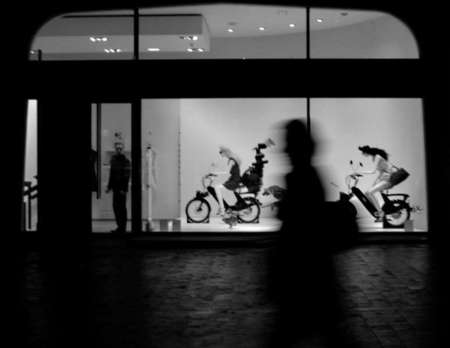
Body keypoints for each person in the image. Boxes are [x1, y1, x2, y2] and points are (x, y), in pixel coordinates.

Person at [357, 145, 395, 222]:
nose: (362, 155)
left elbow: (373, 171)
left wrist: (359, 172)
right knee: (367, 193)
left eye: (363, 153)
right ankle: (379, 211)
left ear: (366, 152)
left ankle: (381, 214)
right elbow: (380, 172)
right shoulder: (374, 157)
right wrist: (375, 183)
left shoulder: (377, 157)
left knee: (370, 193)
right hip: (383, 177)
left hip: (388, 178)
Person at [106, 140, 131, 233]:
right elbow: (111, 174)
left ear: (123, 149)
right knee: (116, 207)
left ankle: (122, 227)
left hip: (121, 189)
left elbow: (127, 176)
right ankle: (120, 226)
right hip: (115, 188)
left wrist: (124, 189)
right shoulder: (113, 160)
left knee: (122, 208)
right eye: (117, 148)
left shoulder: (126, 161)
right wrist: (109, 187)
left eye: (120, 148)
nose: (119, 149)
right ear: (115, 149)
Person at [213, 146, 242, 216]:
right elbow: (226, 171)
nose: (220, 154)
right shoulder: (231, 159)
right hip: (232, 180)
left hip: (234, 181)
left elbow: (226, 172)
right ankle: (222, 207)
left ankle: (222, 210)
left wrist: (215, 173)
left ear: (225, 152)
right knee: (219, 189)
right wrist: (216, 170)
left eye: (221, 152)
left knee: (217, 188)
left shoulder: (231, 160)